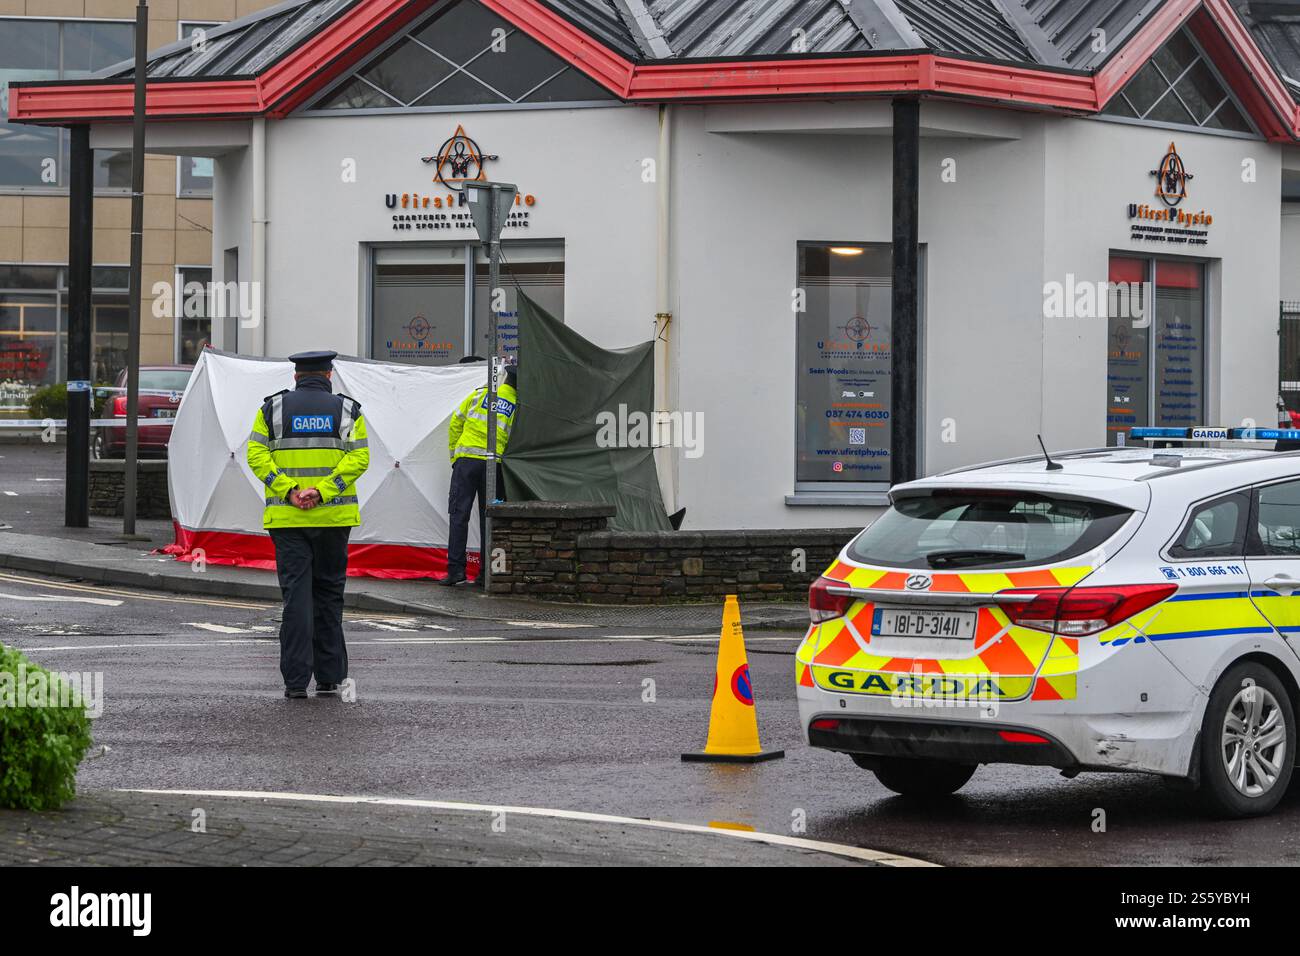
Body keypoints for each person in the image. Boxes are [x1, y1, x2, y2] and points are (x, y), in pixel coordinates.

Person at [245, 350, 370, 698]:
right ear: (329, 376)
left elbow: (256, 455)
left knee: (297, 597)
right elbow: (360, 457)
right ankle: (329, 677)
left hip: (288, 519)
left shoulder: (272, 409)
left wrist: (290, 492)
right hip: (333, 517)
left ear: (296, 377)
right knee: (329, 594)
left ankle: (295, 683)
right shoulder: (348, 410)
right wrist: (324, 492)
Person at [442, 357, 518, 587]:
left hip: (466, 463)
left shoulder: (480, 393)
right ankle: (485, 574)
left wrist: (455, 456)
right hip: (494, 465)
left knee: (458, 517)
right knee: (490, 519)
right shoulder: (518, 404)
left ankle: (456, 571)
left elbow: (456, 422)